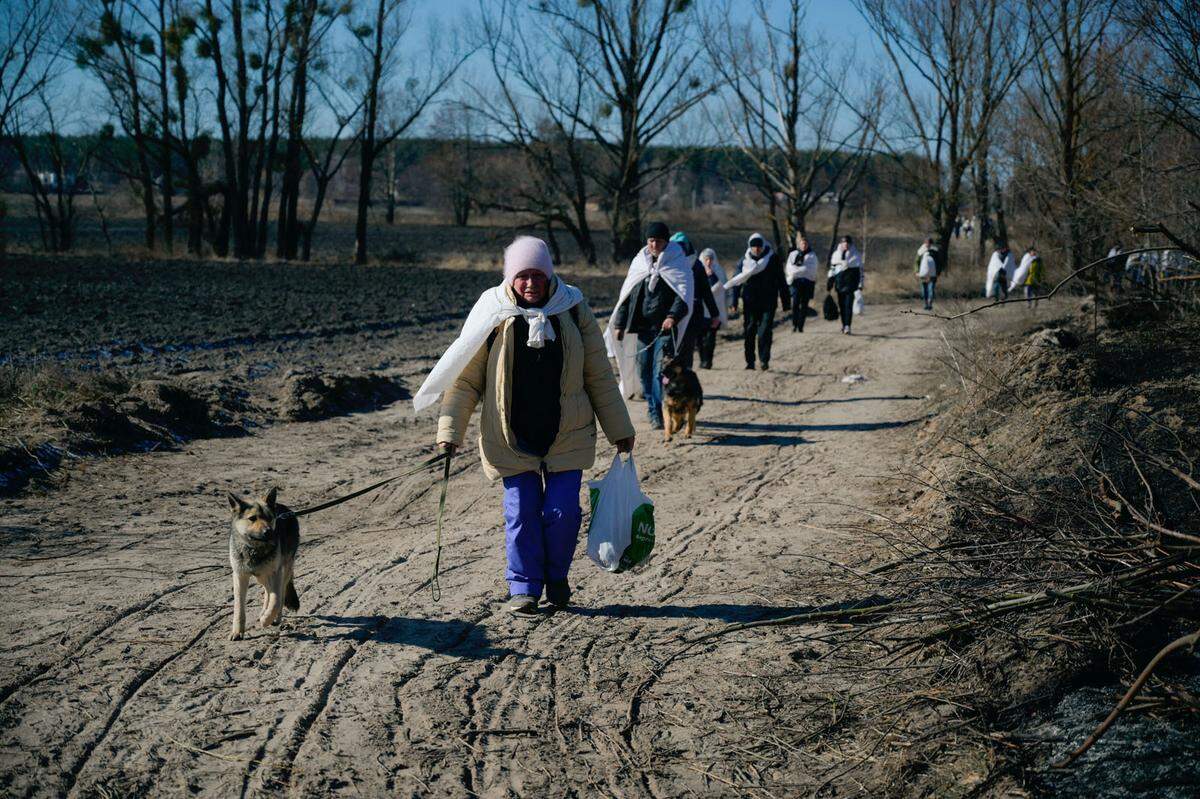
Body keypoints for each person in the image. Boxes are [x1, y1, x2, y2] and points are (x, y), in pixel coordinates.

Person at [416, 236, 636, 615]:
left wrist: (620, 429)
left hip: (566, 431)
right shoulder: (493, 312)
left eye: (538, 275)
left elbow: (598, 374)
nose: (531, 283)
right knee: (520, 513)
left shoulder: (573, 308)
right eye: (522, 276)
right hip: (510, 435)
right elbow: (465, 379)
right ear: (510, 278)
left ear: (550, 276)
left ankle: (556, 578)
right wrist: (449, 432)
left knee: (563, 513)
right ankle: (524, 587)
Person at [607, 222, 694, 430]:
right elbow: (628, 295)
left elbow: (683, 294)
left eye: (658, 241)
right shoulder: (640, 262)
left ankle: (660, 413)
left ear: (666, 241)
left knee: (659, 372)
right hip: (642, 328)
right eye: (651, 240)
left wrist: (673, 316)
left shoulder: (677, 262)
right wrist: (619, 323)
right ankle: (653, 408)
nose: (654, 244)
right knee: (643, 371)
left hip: (665, 330)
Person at [724, 232, 789, 370]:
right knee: (749, 330)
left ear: (763, 246)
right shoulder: (744, 261)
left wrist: (786, 301)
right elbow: (737, 281)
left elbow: (781, 281)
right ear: (750, 247)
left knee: (765, 331)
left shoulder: (773, 259)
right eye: (754, 247)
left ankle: (764, 360)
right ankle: (750, 361)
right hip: (750, 301)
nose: (757, 249)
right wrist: (733, 302)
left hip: (768, 301)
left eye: (759, 246)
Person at [669, 232, 722, 370]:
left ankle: (685, 380)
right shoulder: (667, 263)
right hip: (670, 313)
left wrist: (714, 314)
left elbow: (706, 292)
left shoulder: (696, 265)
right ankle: (669, 382)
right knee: (671, 350)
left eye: (682, 246)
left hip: (693, 313)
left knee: (687, 348)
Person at [696, 247, 728, 369]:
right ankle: (702, 358)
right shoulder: (697, 271)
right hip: (700, 311)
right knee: (699, 338)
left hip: (715, 311)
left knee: (711, 337)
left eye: (711, 259)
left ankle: (708, 361)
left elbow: (722, 288)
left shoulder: (719, 271)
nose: (708, 262)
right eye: (706, 259)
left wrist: (712, 275)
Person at [827, 235, 863, 334]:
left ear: (850, 244)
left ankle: (848, 325)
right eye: (844, 243)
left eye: (847, 243)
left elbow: (860, 271)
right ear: (841, 244)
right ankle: (844, 325)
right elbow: (832, 269)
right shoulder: (836, 255)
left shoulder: (856, 255)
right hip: (839, 283)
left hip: (851, 283)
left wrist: (860, 284)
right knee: (842, 306)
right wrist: (830, 280)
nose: (845, 245)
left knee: (848, 306)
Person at [784, 232, 819, 332]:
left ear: (808, 245)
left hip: (807, 284)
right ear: (799, 244)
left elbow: (812, 270)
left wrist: (797, 270)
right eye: (802, 244)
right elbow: (789, 269)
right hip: (795, 283)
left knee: (804, 305)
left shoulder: (812, 256)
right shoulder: (793, 254)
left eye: (805, 244)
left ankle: (801, 325)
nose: (804, 245)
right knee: (795, 304)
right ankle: (794, 324)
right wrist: (802, 270)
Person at [916, 237, 938, 311]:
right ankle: (926, 304)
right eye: (927, 242)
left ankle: (930, 304)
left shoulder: (935, 251)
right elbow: (917, 262)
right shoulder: (920, 252)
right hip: (923, 275)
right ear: (924, 243)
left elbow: (939, 262)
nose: (928, 244)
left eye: (929, 243)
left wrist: (938, 272)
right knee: (924, 290)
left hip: (933, 275)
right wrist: (916, 271)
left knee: (931, 289)